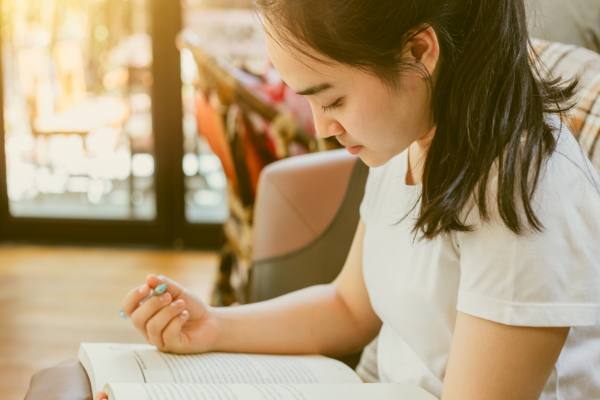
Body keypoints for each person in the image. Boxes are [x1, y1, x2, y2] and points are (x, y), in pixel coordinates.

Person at [97, 0, 600, 399]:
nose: (320, 128)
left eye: (333, 99)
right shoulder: (411, 135)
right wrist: (212, 324)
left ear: (420, 53)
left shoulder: (522, 189)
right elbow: (348, 306)